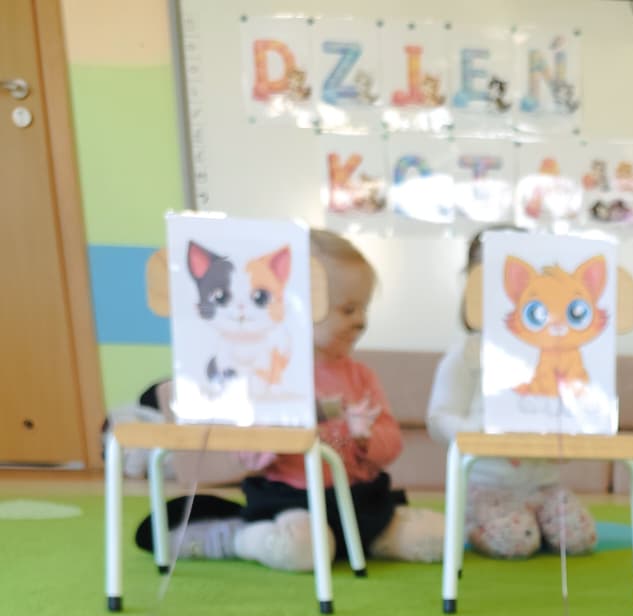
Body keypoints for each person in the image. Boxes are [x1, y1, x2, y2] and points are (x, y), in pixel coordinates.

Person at [136, 230, 442, 567]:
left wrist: (365, 436)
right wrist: (287, 427)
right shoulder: (267, 373)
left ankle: (361, 542)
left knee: (438, 537)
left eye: (364, 309)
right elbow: (248, 454)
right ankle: (234, 537)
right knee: (300, 549)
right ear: (298, 307)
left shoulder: (362, 376)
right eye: (348, 309)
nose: (360, 321)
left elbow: (392, 444)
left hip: (359, 501)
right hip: (291, 501)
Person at [424, 231, 597, 561]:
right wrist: (476, 435)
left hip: (543, 485)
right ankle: (474, 524)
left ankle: (532, 521)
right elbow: (439, 417)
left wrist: (565, 438)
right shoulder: (469, 353)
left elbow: (569, 413)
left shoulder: (552, 355)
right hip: (487, 486)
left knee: (578, 537)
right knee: (516, 541)